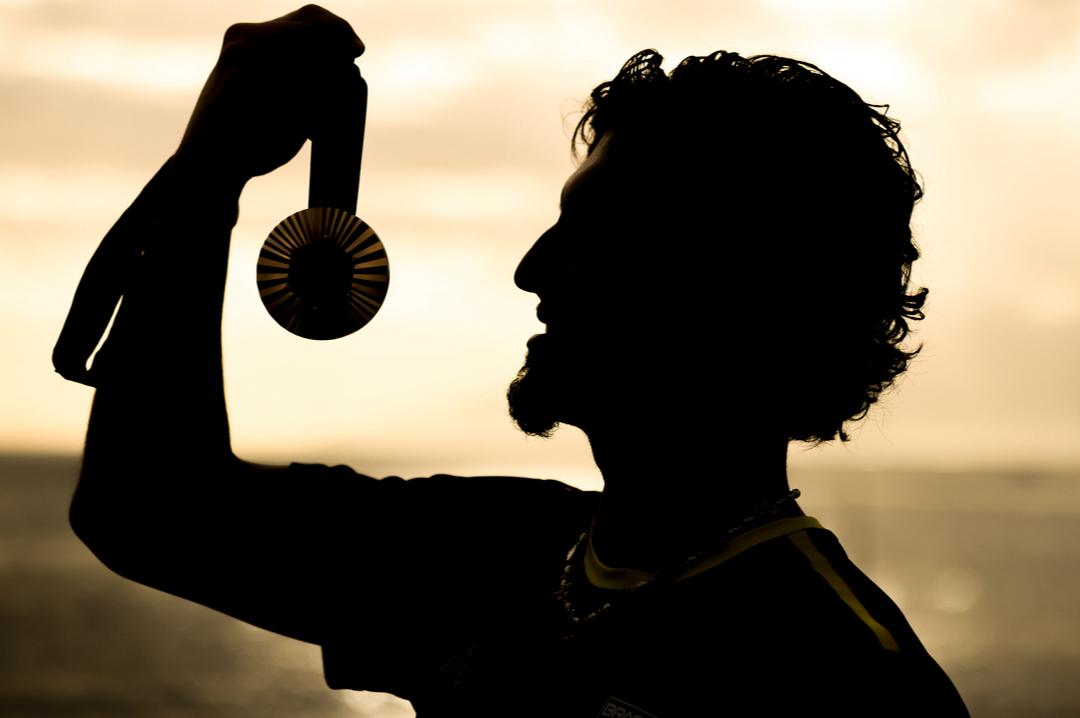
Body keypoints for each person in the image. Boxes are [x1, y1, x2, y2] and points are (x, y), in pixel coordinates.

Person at [62, 5, 970, 716]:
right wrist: (206, 175)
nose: (532, 270)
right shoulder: (494, 553)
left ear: (736, 284)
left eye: (596, 233)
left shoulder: (848, 683)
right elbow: (148, 508)